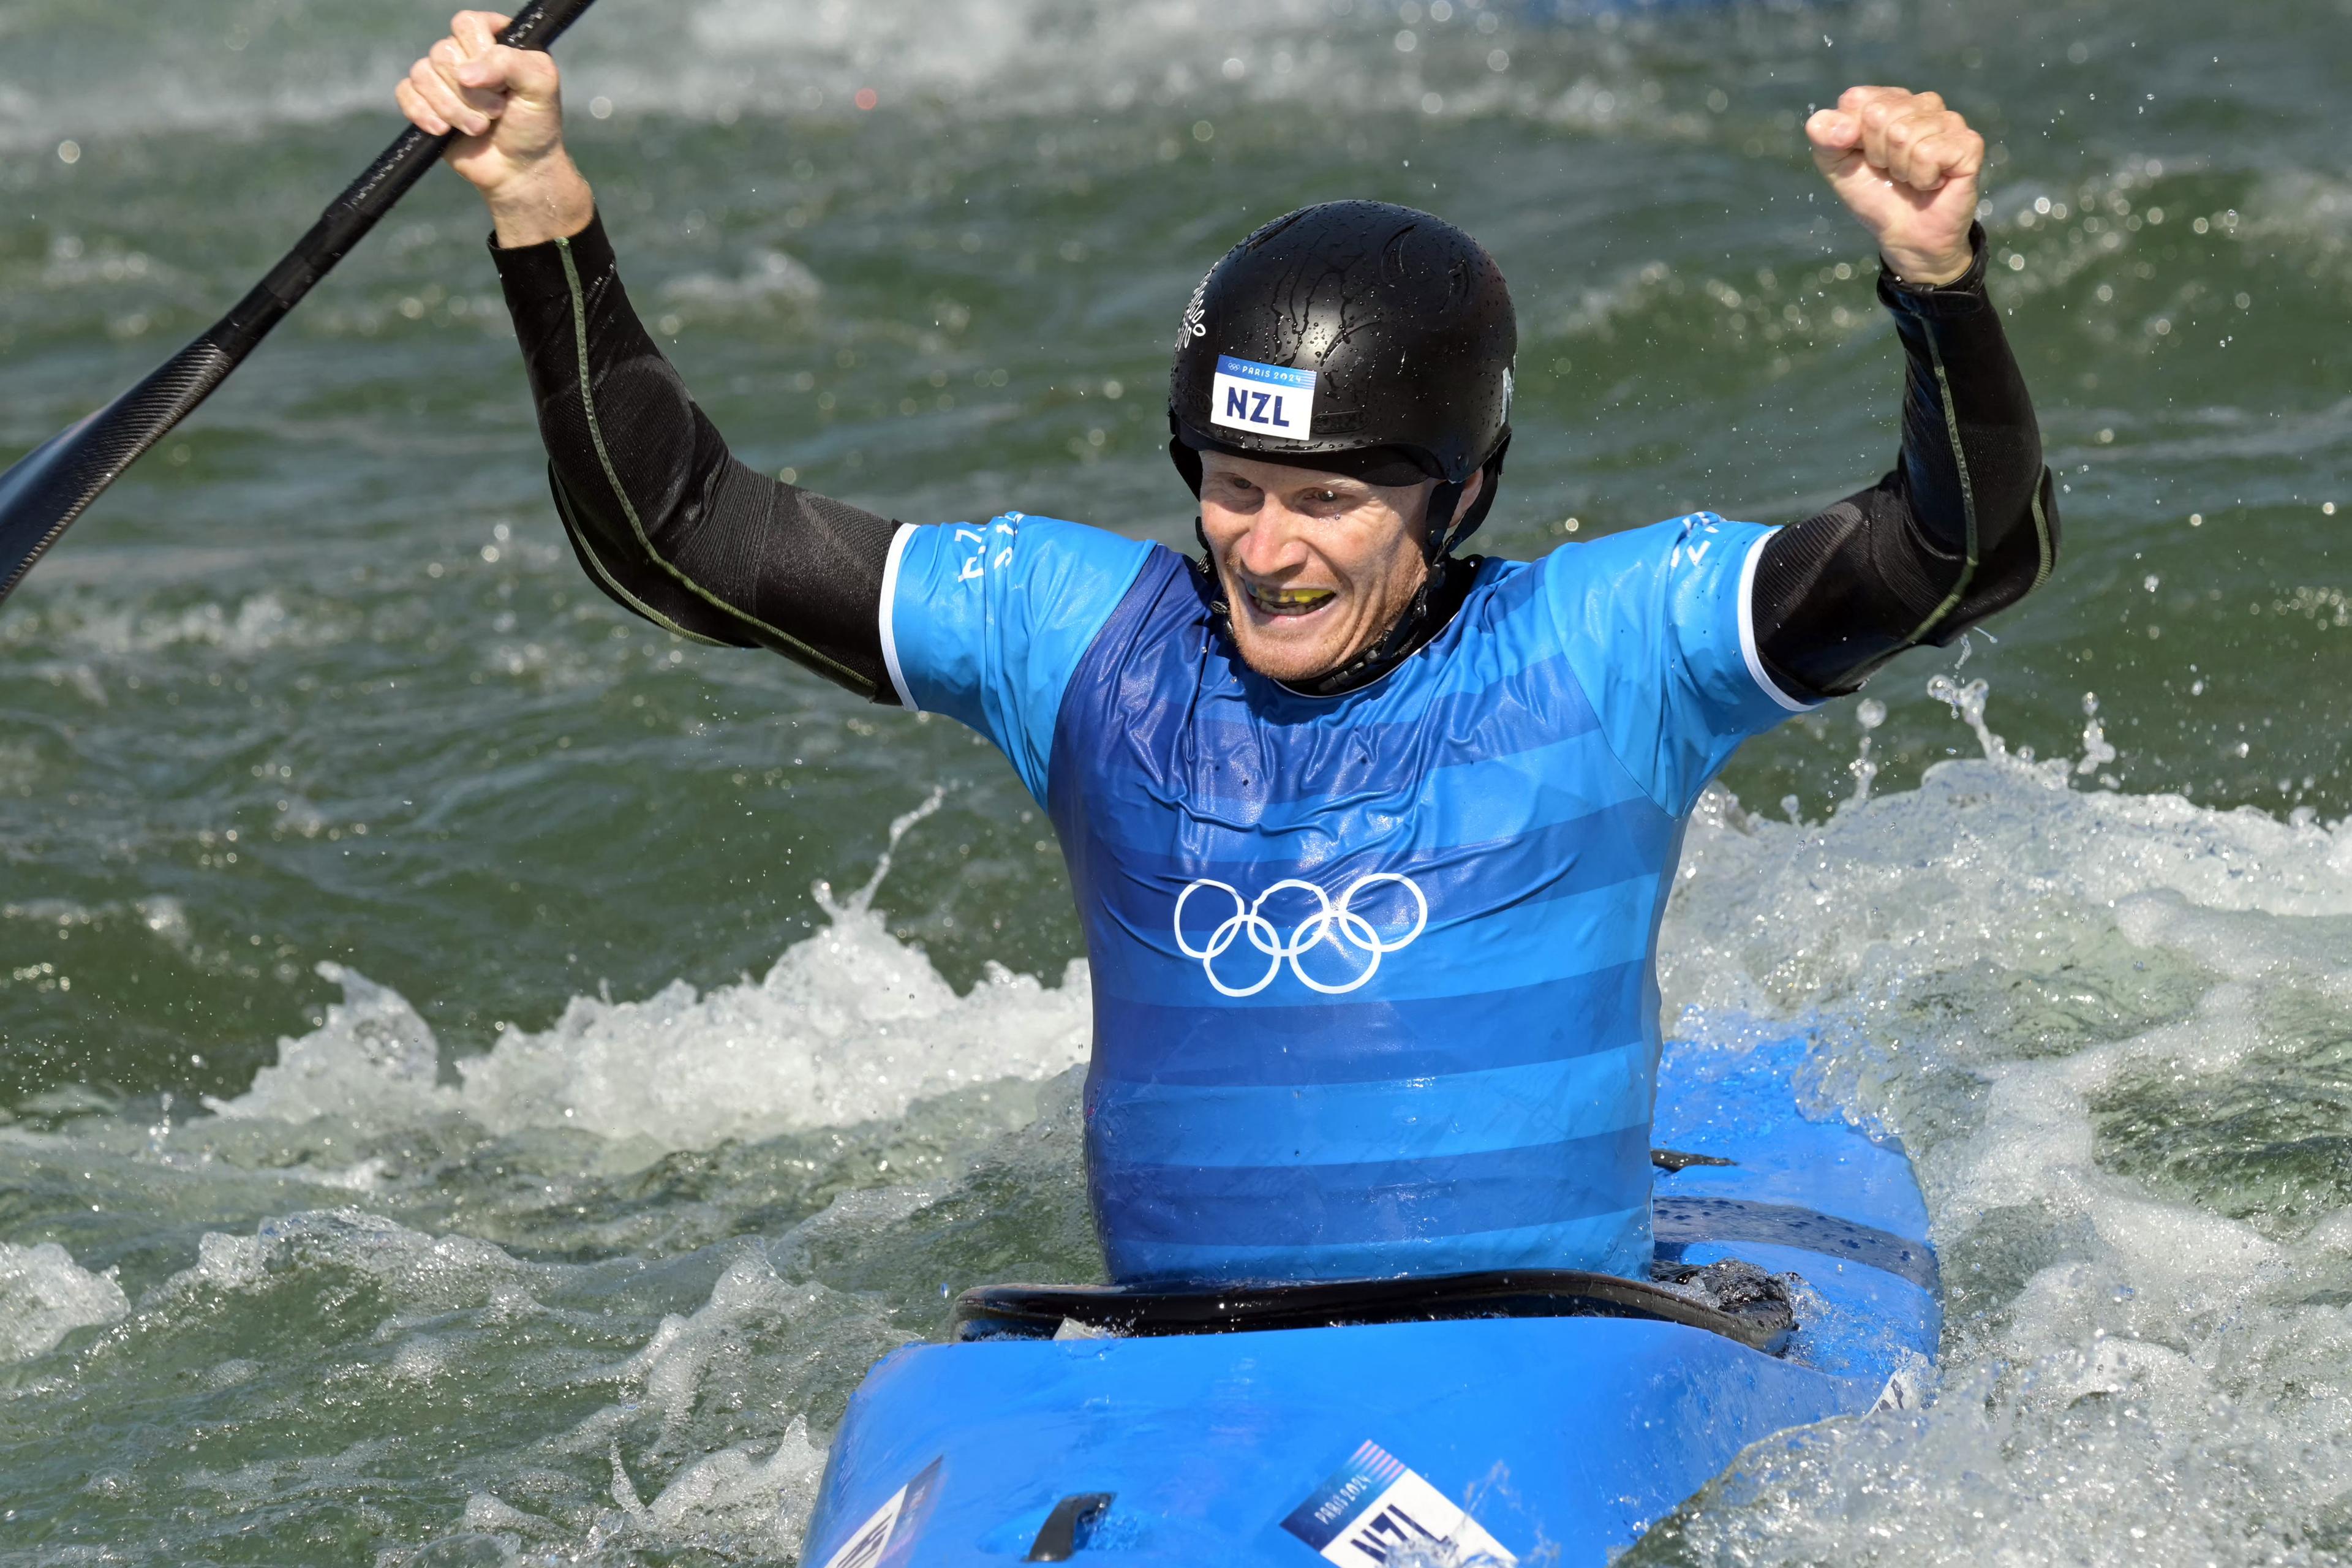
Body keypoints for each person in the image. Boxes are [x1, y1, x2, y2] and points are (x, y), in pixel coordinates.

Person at [398, 14, 2055, 1288]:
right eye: (1235, 488)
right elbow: (681, 537)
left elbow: (1963, 553)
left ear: (1462, 488)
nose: (1265, 549)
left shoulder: (1614, 646)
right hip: (1178, 1366)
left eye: (1327, 502)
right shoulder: (1079, 641)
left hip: (1548, 1345)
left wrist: (1939, 284)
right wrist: (542, 205)